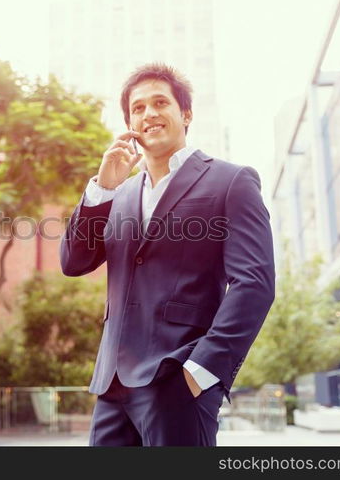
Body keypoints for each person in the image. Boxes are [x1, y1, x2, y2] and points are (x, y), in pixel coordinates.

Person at [60, 63, 275, 446]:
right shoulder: (118, 193)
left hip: (179, 378)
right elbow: (74, 262)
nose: (149, 114)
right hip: (112, 384)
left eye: (161, 102)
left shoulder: (230, 181)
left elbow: (254, 283)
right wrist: (102, 189)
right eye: (138, 108)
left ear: (186, 114)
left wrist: (202, 370)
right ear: (129, 123)